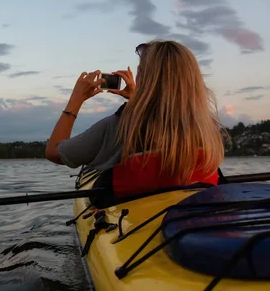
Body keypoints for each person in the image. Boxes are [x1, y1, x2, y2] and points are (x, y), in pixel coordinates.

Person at [45, 39, 225, 205]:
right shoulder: (207, 128)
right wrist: (137, 100)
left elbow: (54, 152)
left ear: (143, 79)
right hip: (196, 213)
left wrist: (76, 99)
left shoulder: (118, 126)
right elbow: (164, 119)